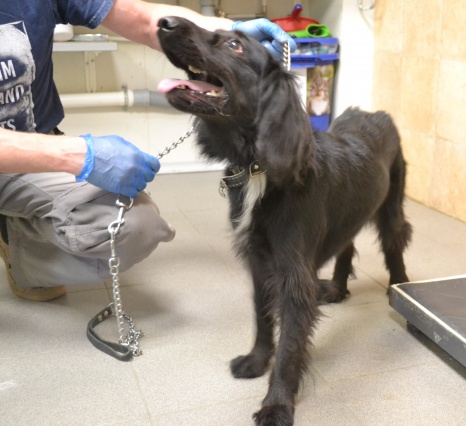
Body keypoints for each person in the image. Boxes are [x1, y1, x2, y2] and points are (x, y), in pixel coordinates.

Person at [0, 0, 295, 301]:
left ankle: (19, 246)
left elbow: (142, 19)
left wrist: (229, 30)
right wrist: (76, 155)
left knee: (135, 226)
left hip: (32, 151)